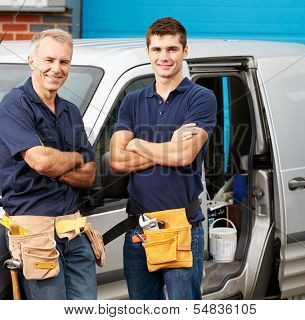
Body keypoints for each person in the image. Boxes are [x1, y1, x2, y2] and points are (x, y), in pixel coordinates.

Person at [109, 17, 217, 300]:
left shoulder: (201, 98)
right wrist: (167, 148)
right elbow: (117, 161)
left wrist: (138, 143)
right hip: (138, 230)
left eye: (171, 49)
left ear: (185, 51)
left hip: (182, 226)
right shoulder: (132, 101)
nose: (164, 57)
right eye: (157, 50)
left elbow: (184, 155)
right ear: (148, 52)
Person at [0, 29, 97, 300]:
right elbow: (41, 162)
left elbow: (89, 175)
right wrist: (74, 158)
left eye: (64, 62)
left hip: (73, 229)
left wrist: (56, 165)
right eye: (49, 60)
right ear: (32, 61)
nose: (56, 68)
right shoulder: (14, 106)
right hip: (34, 233)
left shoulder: (70, 111)